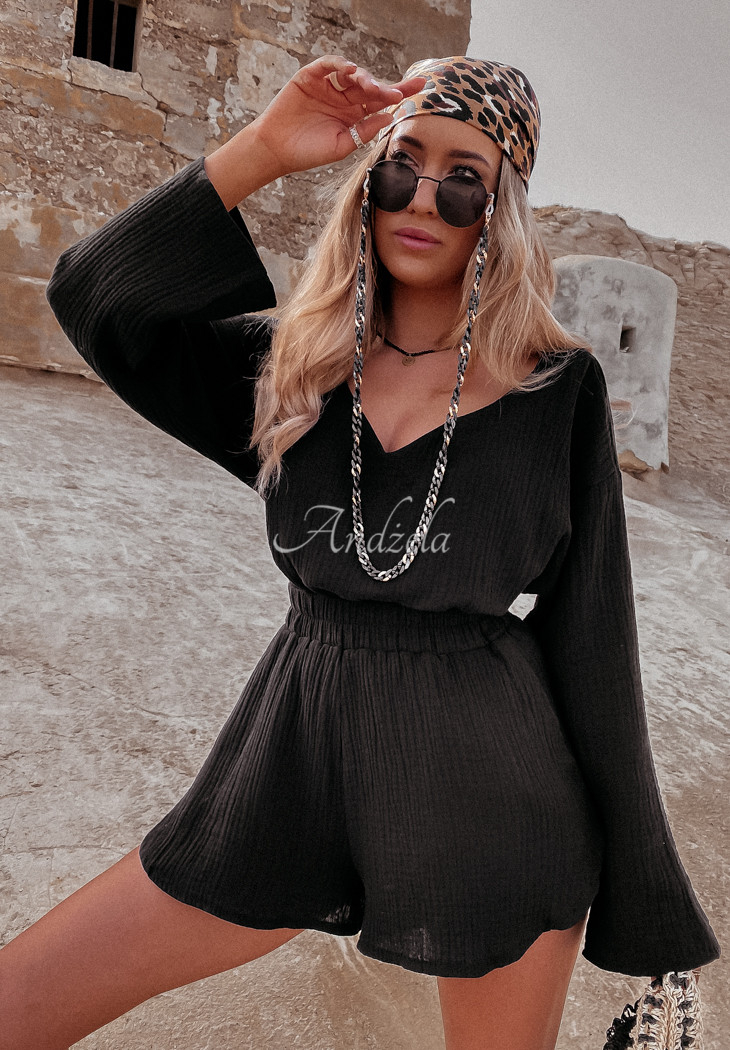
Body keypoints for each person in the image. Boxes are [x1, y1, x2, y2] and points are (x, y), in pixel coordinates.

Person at [0, 54, 719, 1050]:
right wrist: (264, 147)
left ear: (500, 210)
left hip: (495, 803)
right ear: (368, 180)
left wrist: (648, 908)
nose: (424, 195)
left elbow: (594, 638)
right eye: (402, 163)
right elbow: (94, 297)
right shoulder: (291, 370)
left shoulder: (556, 391)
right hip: (287, 764)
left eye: (464, 178)